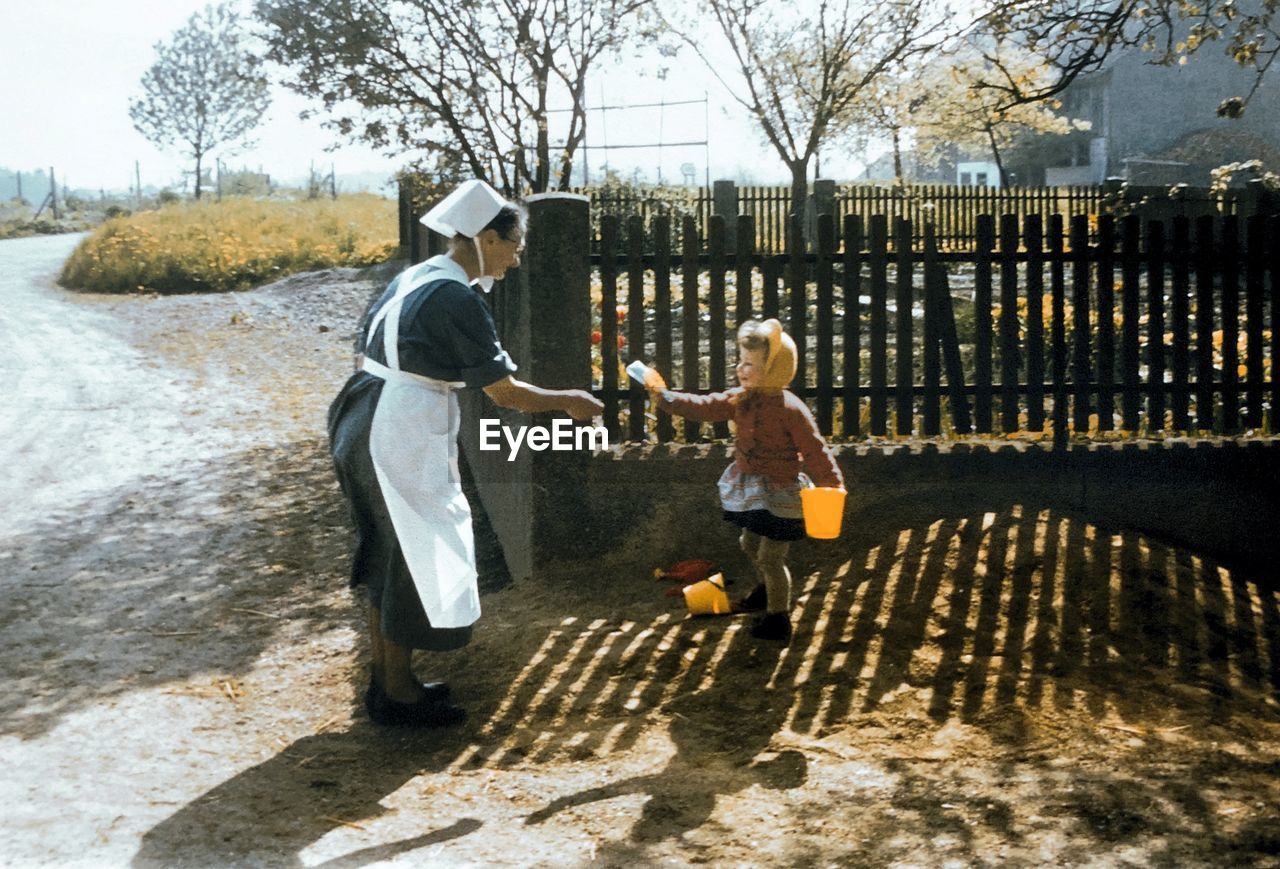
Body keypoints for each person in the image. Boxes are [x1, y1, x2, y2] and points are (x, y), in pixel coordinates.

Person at [328, 179, 602, 727]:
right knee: (412, 552)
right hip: (397, 426)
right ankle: (400, 695)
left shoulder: (418, 275)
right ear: (486, 238)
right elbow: (504, 392)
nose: (517, 260)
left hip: (363, 412)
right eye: (514, 246)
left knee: (390, 548)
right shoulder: (455, 296)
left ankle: (388, 685)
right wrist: (568, 401)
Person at [648, 319, 844, 643]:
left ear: (774, 369)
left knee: (771, 556)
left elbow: (815, 450)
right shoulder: (742, 399)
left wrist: (832, 485)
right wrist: (668, 399)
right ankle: (766, 591)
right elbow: (706, 406)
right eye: (740, 361)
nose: (741, 369)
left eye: (749, 363)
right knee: (749, 544)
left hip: (783, 494)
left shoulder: (790, 410)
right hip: (755, 489)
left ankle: (778, 618)